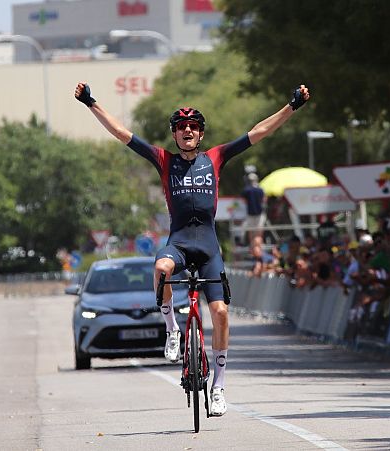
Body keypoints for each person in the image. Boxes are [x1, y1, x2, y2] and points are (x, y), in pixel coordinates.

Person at [74, 81, 311, 416]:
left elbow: (259, 131)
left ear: (200, 134)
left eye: (193, 127)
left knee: (222, 313)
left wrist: (292, 105)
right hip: (180, 244)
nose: (187, 130)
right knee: (161, 269)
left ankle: (219, 386)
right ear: (175, 134)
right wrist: (90, 102)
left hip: (209, 248)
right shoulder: (163, 160)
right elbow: (121, 132)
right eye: (182, 127)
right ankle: (171, 331)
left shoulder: (215, 157)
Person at [242, 172, 266, 243]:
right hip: (259, 213)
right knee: (259, 231)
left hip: (250, 214)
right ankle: (258, 247)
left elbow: (244, 200)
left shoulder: (247, 190)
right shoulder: (260, 190)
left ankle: (253, 247)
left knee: (252, 232)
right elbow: (263, 200)